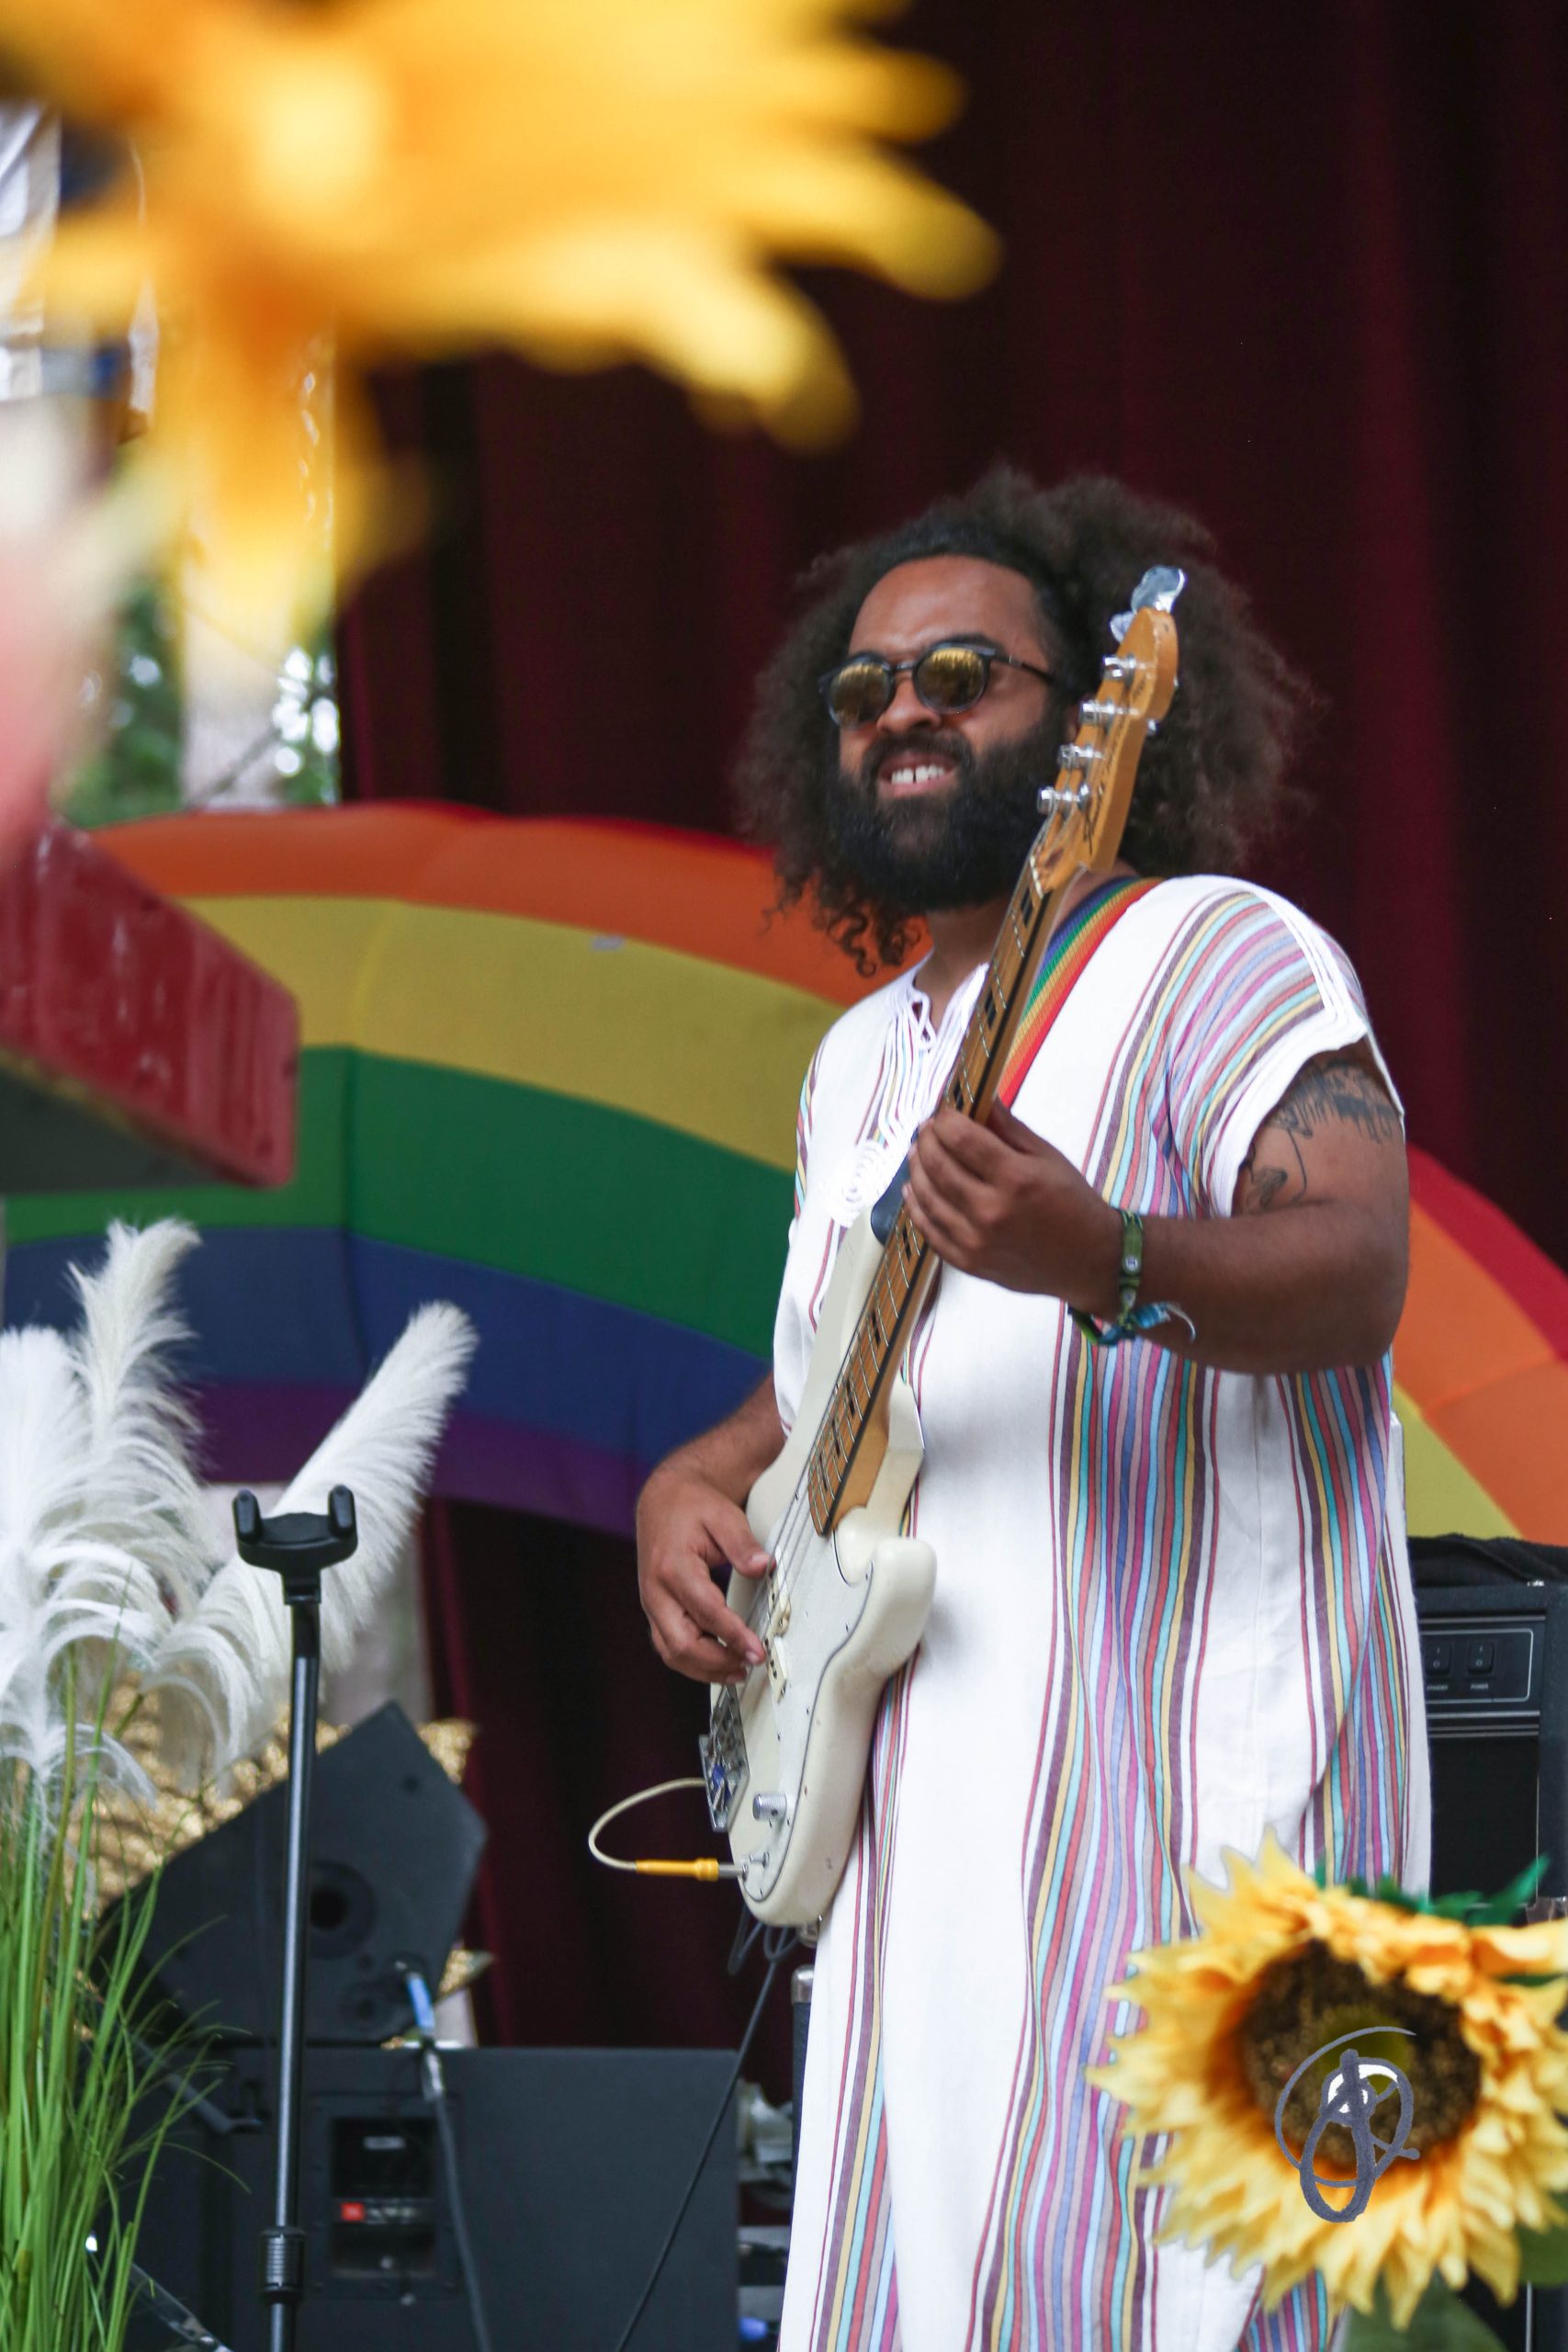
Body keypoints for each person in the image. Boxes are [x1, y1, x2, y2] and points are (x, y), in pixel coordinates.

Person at [635, 468, 1427, 2352]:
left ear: (1086, 720)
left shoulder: (1214, 952)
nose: (899, 708)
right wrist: (702, 1469)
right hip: (919, 1838)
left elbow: (1354, 1262)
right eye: (861, 688)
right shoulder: (855, 1066)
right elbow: (854, 1352)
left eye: (961, 672)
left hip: (1184, 1801)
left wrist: (1103, 1256)